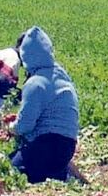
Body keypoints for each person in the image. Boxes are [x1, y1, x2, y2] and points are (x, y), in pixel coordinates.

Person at [8, 26, 79, 183]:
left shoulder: (36, 83)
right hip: (68, 148)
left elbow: (25, 126)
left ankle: (39, 174)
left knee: (12, 167)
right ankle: (57, 173)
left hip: (45, 145)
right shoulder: (62, 77)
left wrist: (12, 127)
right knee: (48, 169)